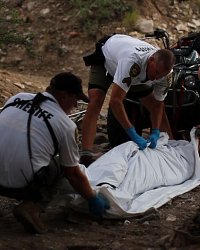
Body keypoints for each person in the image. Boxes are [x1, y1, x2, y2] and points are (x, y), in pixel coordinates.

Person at [0, 72, 109, 234]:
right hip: (19, 186)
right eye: (75, 100)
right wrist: (92, 198)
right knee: (62, 164)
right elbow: (73, 174)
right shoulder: (65, 125)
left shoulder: (18, 98)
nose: (75, 105)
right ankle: (32, 207)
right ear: (64, 96)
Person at [81, 34, 176, 166]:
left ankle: (170, 147)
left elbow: (158, 106)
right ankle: (85, 153)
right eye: (156, 72)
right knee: (96, 100)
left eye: (161, 75)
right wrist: (132, 132)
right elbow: (115, 101)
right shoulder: (132, 60)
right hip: (107, 60)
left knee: (153, 104)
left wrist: (155, 131)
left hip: (137, 74)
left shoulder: (166, 75)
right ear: (151, 60)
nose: (156, 78)